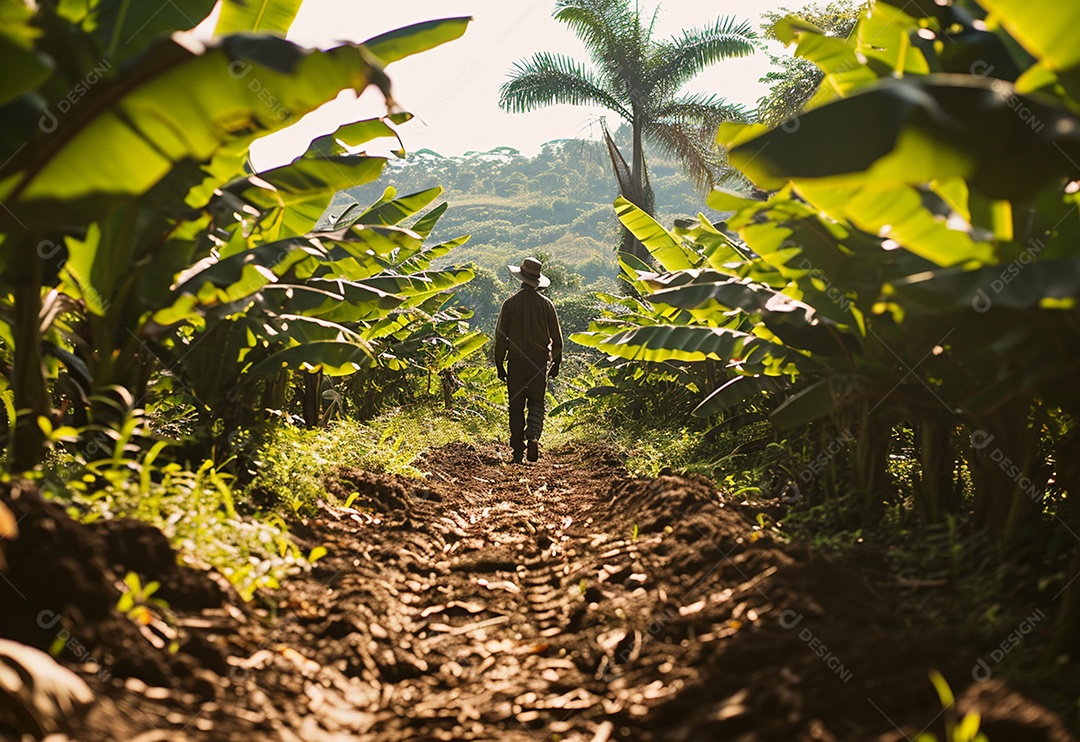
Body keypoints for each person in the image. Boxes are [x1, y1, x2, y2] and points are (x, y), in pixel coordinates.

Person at [494, 257, 563, 464]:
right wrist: (556, 364)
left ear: (521, 279)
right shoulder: (546, 305)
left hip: (515, 362)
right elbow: (557, 340)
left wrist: (499, 364)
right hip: (538, 363)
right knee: (536, 403)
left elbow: (500, 338)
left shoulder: (509, 304)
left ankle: (517, 450)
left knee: (516, 406)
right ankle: (533, 436)